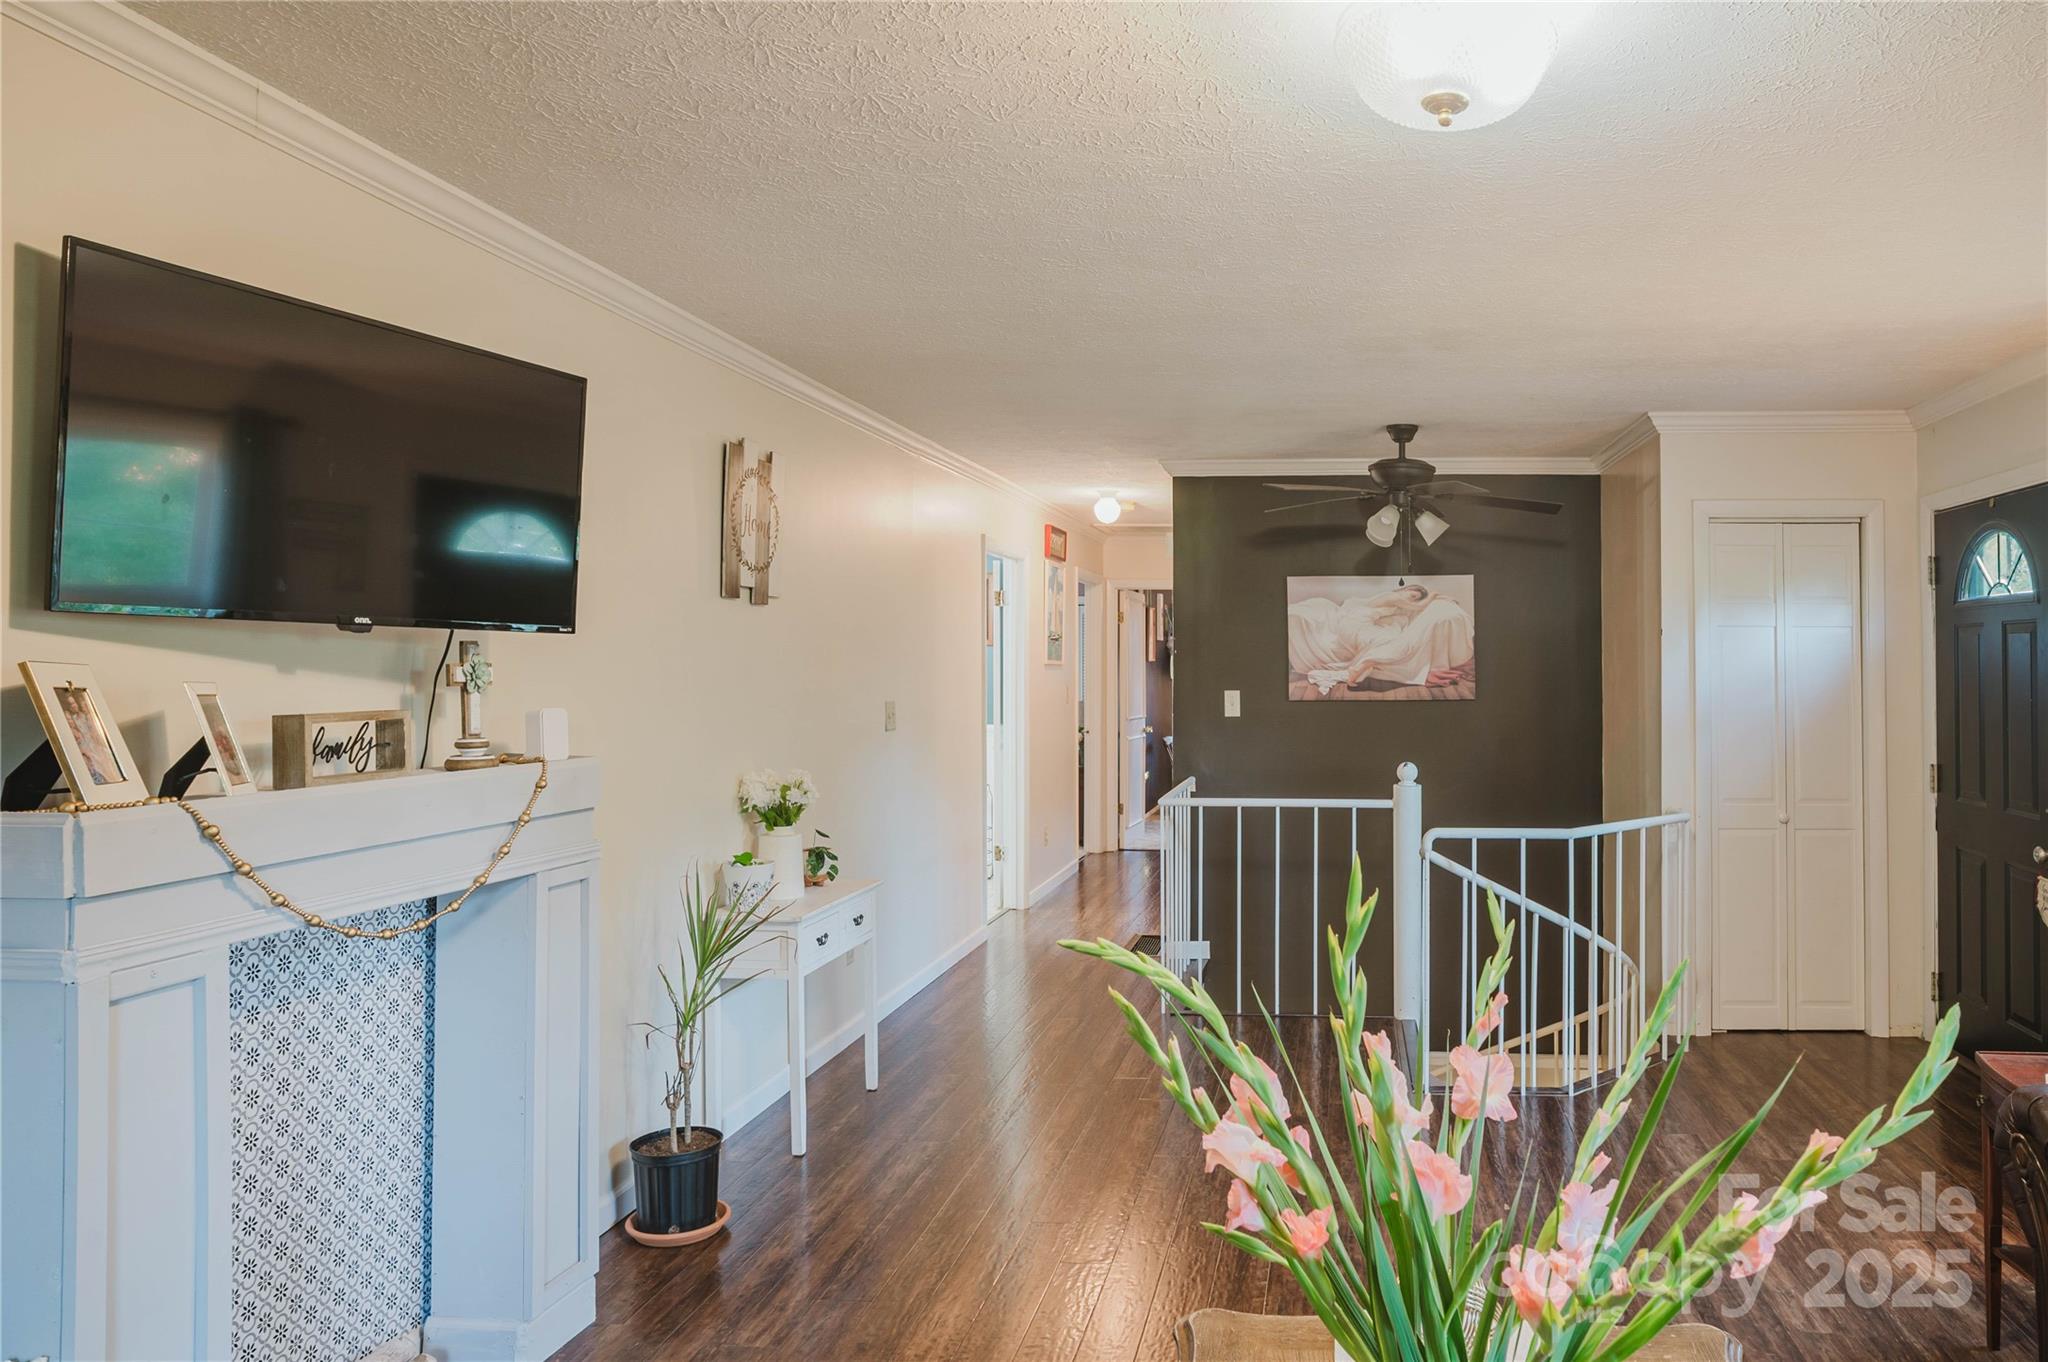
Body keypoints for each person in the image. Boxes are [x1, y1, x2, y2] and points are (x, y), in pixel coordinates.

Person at [1288, 583, 1474, 695]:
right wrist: (1436, 595)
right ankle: (1366, 664)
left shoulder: (1392, 604)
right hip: (1353, 626)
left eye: (1415, 598)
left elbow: (1412, 610)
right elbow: (1418, 606)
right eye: (1411, 595)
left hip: (1356, 625)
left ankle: (1367, 663)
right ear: (1403, 590)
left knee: (1391, 640)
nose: (1412, 600)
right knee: (1392, 644)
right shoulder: (1391, 596)